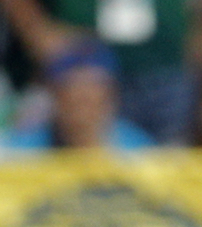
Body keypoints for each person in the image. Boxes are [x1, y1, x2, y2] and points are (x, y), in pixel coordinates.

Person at [0, 0, 202, 142]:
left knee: (168, 174)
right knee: (75, 172)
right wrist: (34, 29)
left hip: (164, 63)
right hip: (84, 68)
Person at [5, 43, 154, 150]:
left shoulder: (136, 148)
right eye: (73, 102)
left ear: (111, 99)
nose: (82, 114)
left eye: (90, 102)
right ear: (56, 99)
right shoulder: (24, 151)